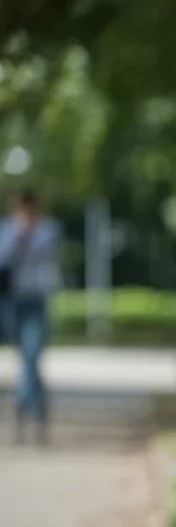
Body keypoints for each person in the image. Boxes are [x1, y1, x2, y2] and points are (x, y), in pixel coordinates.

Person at [0, 188, 62, 444]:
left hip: (36, 298)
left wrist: (29, 233)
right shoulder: (7, 228)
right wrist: (18, 234)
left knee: (32, 353)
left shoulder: (48, 229)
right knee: (26, 357)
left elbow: (46, 253)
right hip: (12, 300)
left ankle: (24, 407)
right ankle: (39, 414)